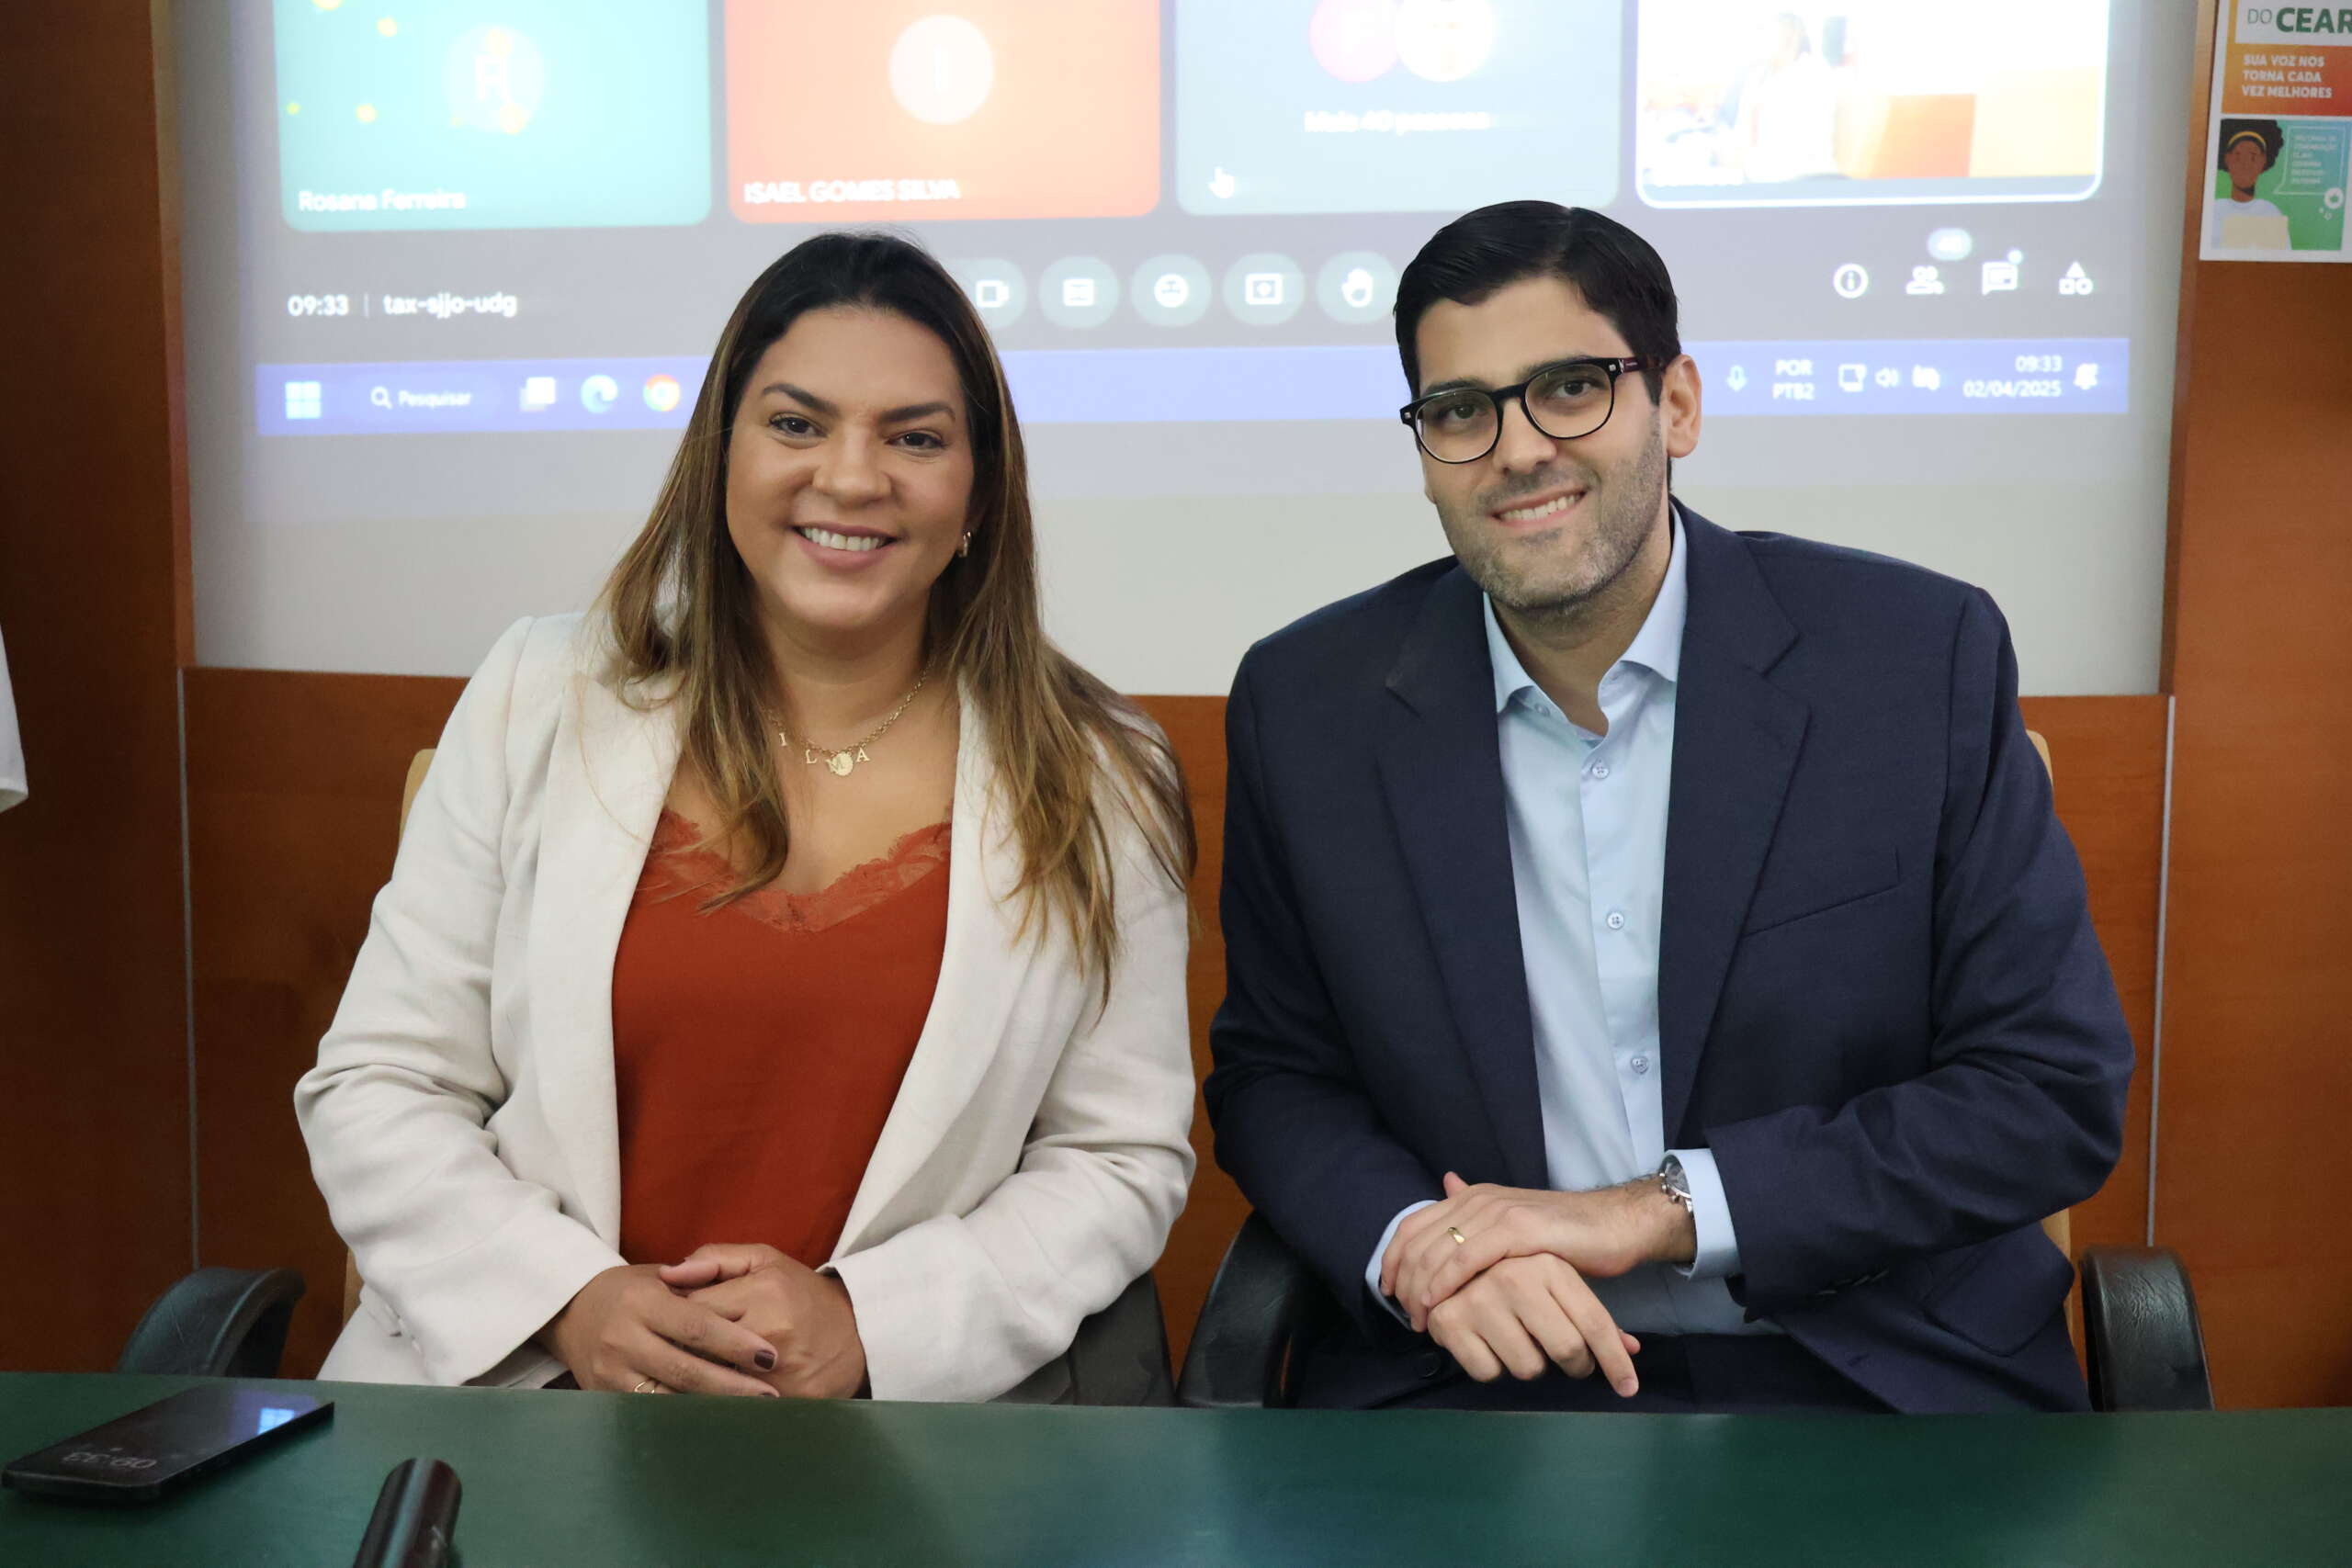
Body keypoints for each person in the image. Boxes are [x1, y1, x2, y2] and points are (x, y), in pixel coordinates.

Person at [1205, 201, 2132, 1414]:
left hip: (1868, 1373)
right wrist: (1412, 1247)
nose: (1519, 447)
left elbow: (2045, 1091)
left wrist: (1650, 1212)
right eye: (1460, 409)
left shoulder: (1912, 664)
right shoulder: (1310, 705)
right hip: (1482, 1374)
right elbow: (1277, 1073)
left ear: (1678, 403)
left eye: (1573, 387)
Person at [297, 232, 1197, 1403]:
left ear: (978, 492)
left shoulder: (1096, 775)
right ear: (721, 455)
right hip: (521, 1409)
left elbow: (1118, 1157)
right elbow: (378, 1085)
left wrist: (873, 1325)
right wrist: (565, 1303)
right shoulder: (538, 696)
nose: (851, 476)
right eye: (796, 423)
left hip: (895, 1438)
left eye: (915, 437)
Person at [2208, 119, 2288, 250]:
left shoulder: (2270, 212)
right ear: (2227, 159)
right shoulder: (2214, 211)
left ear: (2263, 161)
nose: (2245, 165)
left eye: (2253, 156)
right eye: (2238, 156)